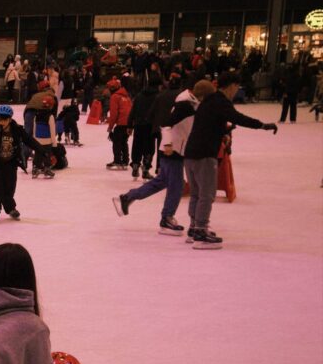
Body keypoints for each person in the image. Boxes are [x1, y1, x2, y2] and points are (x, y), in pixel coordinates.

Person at [182, 71, 277, 249]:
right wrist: (262, 125)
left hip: (191, 153)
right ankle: (201, 231)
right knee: (207, 194)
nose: (236, 91)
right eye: (237, 87)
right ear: (232, 86)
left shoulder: (207, 102)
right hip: (204, 154)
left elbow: (206, 125)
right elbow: (238, 118)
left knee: (196, 193)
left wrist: (223, 131)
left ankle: (194, 228)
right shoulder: (220, 102)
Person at [113, 79, 214, 235]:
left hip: (175, 148)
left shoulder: (191, 103)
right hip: (172, 149)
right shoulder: (185, 104)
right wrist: (167, 144)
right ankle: (166, 218)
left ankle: (127, 197)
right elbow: (166, 123)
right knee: (176, 186)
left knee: (161, 182)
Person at [0, 104, 48, 223]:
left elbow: (29, 140)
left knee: (10, 187)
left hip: (11, 163)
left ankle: (10, 208)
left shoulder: (17, 129)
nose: (2, 122)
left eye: (4, 119)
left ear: (10, 119)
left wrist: (41, 150)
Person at [127, 74, 162, 180]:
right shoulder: (158, 96)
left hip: (138, 124)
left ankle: (135, 165)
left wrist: (130, 125)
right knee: (149, 147)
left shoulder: (139, 95)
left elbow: (133, 111)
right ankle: (146, 168)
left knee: (137, 145)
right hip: (151, 126)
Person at [104, 79, 132, 170]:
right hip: (128, 123)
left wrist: (110, 127)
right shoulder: (127, 97)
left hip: (120, 123)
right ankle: (125, 161)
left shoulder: (115, 97)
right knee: (124, 142)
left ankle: (117, 161)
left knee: (117, 142)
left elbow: (114, 114)